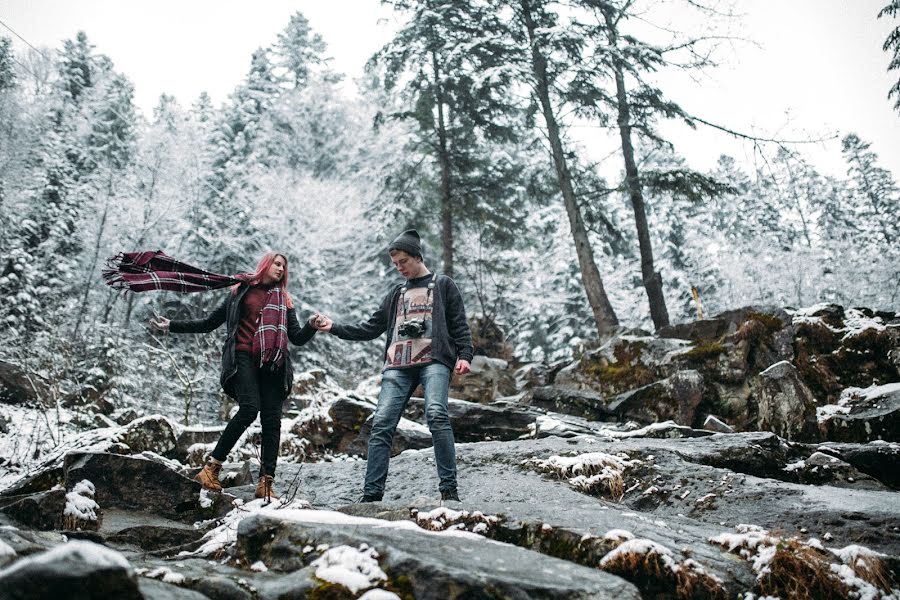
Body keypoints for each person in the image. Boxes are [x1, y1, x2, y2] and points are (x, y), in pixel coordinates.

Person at [104, 250, 317, 500]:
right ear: (265, 264)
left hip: (273, 363)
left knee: (272, 421)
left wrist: (312, 326)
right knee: (249, 408)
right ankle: (211, 469)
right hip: (243, 357)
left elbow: (296, 337)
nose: (281, 269)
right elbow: (210, 322)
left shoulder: (285, 300)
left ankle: (266, 484)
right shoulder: (241, 290)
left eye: (284, 266)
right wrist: (172, 325)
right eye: (277, 264)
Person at [312, 229, 473, 502]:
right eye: (396, 265)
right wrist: (334, 327)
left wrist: (465, 355)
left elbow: (460, 325)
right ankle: (372, 496)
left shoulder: (444, 285)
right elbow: (370, 328)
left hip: (434, 360)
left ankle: (449, 490)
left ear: (417, 256)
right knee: (382, 424)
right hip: (397, 365)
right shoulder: (396, 294)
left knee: (436, 414)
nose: (400, 269)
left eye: (404, 262)